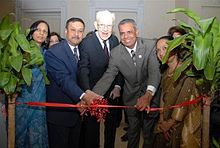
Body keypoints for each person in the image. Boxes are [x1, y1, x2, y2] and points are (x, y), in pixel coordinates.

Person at [93, 18, 161, 148]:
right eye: (122, 33)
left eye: (129, 32)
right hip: (131, 99)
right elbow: (108, 76)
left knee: (148, 134)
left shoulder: (150, 45)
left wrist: (148, 95)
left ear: (136, 31)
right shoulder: (116, 53)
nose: (126, 36)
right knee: (133, 132)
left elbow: (154, 72)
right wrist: (92, 95)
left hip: (151, 97)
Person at [45, 17, 101, 148]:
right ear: (65, 31)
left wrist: (83, 99)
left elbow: (83, 76)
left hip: (78, 113)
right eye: (73, 30)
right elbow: (64, 80)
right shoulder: (53, 53)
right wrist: (84, 97)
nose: (77, 34)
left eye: (80, 31)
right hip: (60, 115)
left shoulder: (83, 50)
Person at [78, 10, 123, 148]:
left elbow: (119, 66)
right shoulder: (86, 43)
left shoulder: (115, 40)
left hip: (111, 93)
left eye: (109, 25)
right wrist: (87, 93)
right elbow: (83, 70)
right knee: (92, 129)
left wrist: (117, 86)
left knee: (111, 126)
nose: (105, 29)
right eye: (102, 25)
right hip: (93, 92)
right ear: (96, 25)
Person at [154, 36, 201, 148]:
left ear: (175, 48)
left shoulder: (187, 72)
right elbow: (163, 97)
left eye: (165, 48)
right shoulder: (165, 72)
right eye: (158, 50)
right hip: (164, 119)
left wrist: (170, 123)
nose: (161, 53)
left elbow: (183, 102)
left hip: (180, 123)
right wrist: (162, 120)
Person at [15, 20, 50, 148]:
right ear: (32, 31)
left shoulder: (48, 53)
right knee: (21, 131)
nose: (41, 33)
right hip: (24, 96)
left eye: (45, 31)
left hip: (40, 96)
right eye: (38, 30)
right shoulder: (22, 50)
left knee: (37, 128)